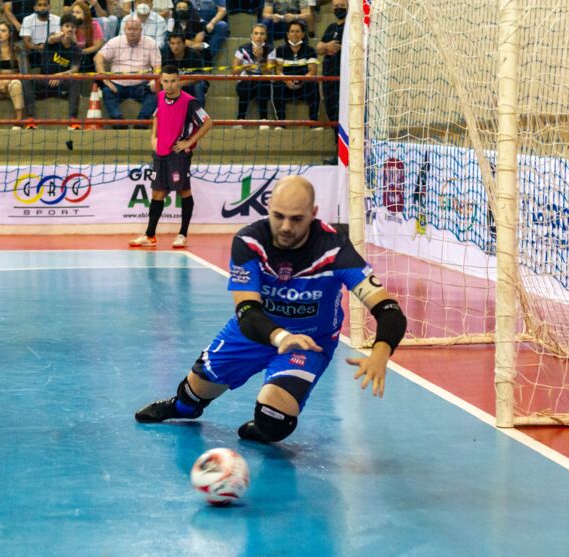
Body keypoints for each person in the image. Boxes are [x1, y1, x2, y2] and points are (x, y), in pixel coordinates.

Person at [134, 175, 408, 444]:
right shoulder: (250, 243)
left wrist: (381, 352)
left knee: (274, 422)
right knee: (193, 393)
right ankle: (182, 408)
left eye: (297, 219)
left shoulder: (335, 250)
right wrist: (280, 337)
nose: (286, 226)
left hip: (309, 341)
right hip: (254, 331)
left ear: (313, 213)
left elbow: (387, 309)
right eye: (279, 216)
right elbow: (247, 312)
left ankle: (265, 424)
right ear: (268, 210)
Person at [129, 65, 212, 248]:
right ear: (161, 82)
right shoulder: (160, 97)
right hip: (161, 153)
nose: (169, 85)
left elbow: (208, 122)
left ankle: (182, 234)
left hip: (178, 154)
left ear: (179, 81)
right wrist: (154, 136)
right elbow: (157, 116)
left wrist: (189, 142)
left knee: (184, 191)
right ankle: (150, 235)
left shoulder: (190, 102)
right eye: (165, 81)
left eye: (173, 81)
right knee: (157, 193)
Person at [95, 18, 161, 129]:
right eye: (129, 29)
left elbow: (157, 66)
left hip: (141, 85)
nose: (132, 32)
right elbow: (98, 57)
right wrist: (105, 79)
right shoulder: (116, 41)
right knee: (107, 92)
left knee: (156, 94)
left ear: (141, 30)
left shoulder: (150, 43)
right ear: (124, 30)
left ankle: (141, 123)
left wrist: (154, 81)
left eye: (135, 29)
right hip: (117, 85)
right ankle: (118, 122)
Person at [25, 13, 82, 129]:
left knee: (76, 80)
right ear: (61, 28)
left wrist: (61, 75)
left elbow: (75, 69)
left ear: (76, 29)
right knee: (27, 80)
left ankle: (73, 120)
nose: (70, 29)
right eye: (67, 26)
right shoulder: (53, 40)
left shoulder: (76, 48)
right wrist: (61, 35)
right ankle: (30, 119)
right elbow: (51, 39)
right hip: (44, 82)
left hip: (61, 84)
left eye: (73, 26)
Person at [269, 20, 319, 126]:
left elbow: (312, 71)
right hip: (286, 86)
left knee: (314, 84)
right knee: (276, 84)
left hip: (303, 85)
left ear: (303, 34)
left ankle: (313, 122)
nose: (294, 34)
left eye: (297, 31)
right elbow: (278, 71)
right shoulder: (280, 50)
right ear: (287, 34)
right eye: (292, 31)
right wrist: (287, 81)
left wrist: (302, 80)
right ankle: (281, 122)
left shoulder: (310, 50)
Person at [317, 0, 345, 147]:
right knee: (332, 114)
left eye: (341, 5)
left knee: (344, 116)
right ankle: (338, 151)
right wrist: (328, 45)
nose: (338, 8)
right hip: (329, 78)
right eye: (335, 6)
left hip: (344, 80)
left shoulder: (351, 28)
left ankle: (346, 153)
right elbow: (319, 48)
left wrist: (340, 47)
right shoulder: (331, 28)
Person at [233, 22, 273, 125]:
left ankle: (264, 119)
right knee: (246, 83)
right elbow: (234, 71)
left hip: (263, 84)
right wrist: (243, 67)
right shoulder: (242, 48)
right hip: (246, 83)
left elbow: (269, 72)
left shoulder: (271, 50)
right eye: (256, 33)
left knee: (262, 83)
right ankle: (240, 119)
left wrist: (260, 58)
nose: (259, 36)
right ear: (251, 35)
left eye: (262, 33)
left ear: (266, 36)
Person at [161, 31, 207, 107]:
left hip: (192, 83)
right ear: (169, 44)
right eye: (172, 43)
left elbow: (199, 76)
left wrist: (181, 83)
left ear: (184, 43)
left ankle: (199, 115)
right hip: (173, 84)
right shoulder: (166, 56)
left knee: (199, 86)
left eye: (178, 43)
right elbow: (162, 76)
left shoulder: (194, 54)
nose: (176, 46)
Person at [187, 0, 227, 65]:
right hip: (190, 23)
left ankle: (207, 59)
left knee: (222, 26)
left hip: (208, 23)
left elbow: (223, 10)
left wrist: (212, 23)